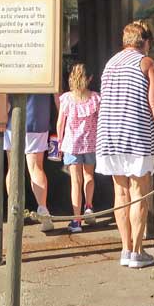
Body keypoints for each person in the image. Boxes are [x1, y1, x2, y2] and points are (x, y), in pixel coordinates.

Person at [96, 21, 154, 268]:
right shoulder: (146, 63)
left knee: (120, 193)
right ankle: (138, 252)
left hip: (108, 135)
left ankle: (125, 249)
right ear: (146, 42)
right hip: (136, 133)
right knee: (139, 191)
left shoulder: (110, 63)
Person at [57, 61, 101, 234]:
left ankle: (76, 221)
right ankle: (89, 206)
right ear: (89, 79)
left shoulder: (67, 98)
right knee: (89, 175)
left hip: (72, 145)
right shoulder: (96, 98)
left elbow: (61, 123)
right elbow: (101, 121)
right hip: (91, 143)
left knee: (75, 181)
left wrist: (59, 142)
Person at [5, 93, 57, 233]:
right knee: (36, 168)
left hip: (12, 118)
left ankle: (14, 211)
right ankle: (43, 210)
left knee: (12, 167)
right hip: (38, 118)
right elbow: (57, 93)